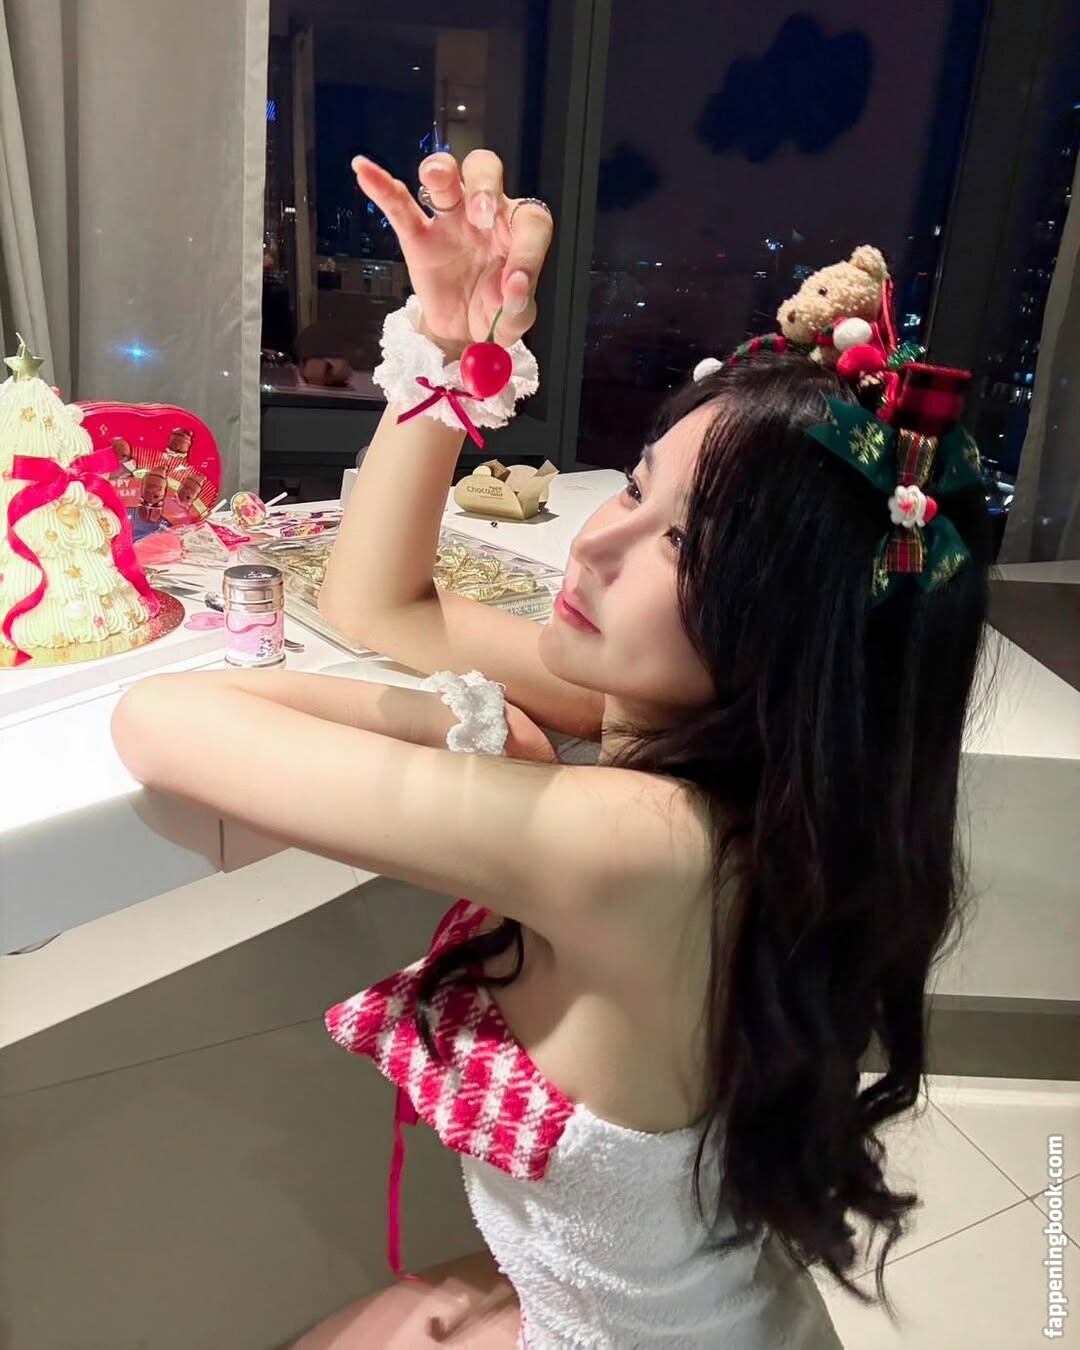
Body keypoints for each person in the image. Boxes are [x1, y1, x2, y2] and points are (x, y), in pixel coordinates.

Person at [111, 149, 991, 1348]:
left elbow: (161, 720)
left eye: (684, 545)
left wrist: (463, 732)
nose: (594, 546)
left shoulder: (642, 841)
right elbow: (378, 604)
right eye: (635, 486)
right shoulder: (722, 758)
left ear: (797, 640)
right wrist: (443, 347)